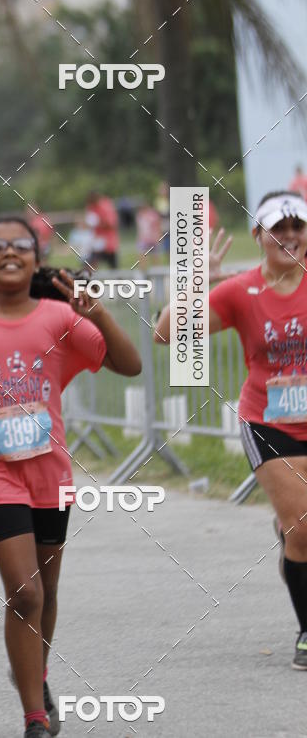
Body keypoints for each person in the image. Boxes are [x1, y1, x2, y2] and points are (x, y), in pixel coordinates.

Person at [0, 215, 142, 737]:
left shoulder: (60, 317)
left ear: (35, 258)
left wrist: (97, 314)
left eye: (20, 246)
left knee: (47, 592)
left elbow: (131, 366)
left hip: (48, 474)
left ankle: (36, 673)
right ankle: (35, 717)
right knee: (26, 593)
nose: (8, 253)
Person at [155, 190, 307, 670]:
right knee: (304, 529)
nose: (289, 237)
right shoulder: (241, 291)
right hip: (269, 420)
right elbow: (166, 333)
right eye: (277, 229)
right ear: (258, 235)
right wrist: (197, 280)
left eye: (297, 227)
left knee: (300, 534)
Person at [84, 190, 119, 268]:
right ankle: (88, 278)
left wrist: (99, 223)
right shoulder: (91, 207)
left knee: (114, 270)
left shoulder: (105, 205)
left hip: (109, 243)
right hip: (97, 242)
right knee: (89, 264)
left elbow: (111, 224)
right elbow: (89, 223)